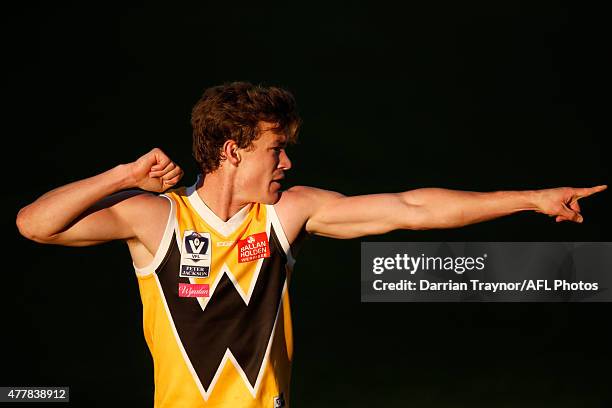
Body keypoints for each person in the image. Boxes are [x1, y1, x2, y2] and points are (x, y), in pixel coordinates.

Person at [16, 81, 607, 407]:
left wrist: (530, 198)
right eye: (276, 149)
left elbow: (412, 208)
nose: (287, 162)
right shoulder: (156, 219)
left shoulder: (288, 213)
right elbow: (34, 224)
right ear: (232, 151)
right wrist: (121, 176)